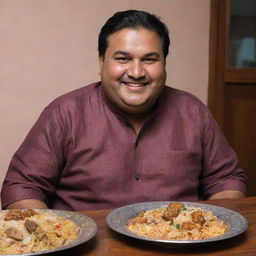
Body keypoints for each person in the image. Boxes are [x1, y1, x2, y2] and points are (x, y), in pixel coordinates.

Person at [1, 10, 246, 211]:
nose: (136, 72)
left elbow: (226, 179)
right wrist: (51, 234)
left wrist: (211, 226)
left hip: (177, 246)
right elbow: (22, 186)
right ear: (101, 62)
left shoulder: (193, 112)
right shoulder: (63, 114)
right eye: (123, 58)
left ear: (164, 64)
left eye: (150, 59)